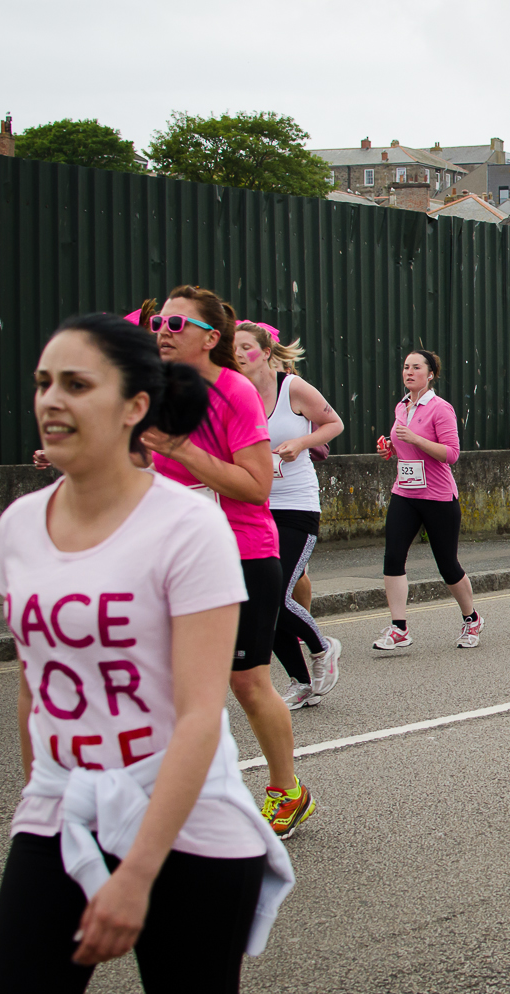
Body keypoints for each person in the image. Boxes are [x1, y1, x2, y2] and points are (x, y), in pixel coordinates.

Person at [0, 312, 294, 993]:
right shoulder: (16, 529)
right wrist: (40, 797)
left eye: (76, 383)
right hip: (63, 804)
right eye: (43, 383)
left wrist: (136, 873)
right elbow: (32, 688)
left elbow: (197, 716)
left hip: (184, 819)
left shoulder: (187, 528)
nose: (51, 401)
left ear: (136, 405)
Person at [141, 286, 314, 838]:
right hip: (174, 558)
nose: (161, 331)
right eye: (158, 323)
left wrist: (182, 451)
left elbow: (256, 484)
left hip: (241, 554)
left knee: (246, 682)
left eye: (174, 324)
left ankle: (287, 789)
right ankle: (179, 798)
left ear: (209, 337)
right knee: (164, 681)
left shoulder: (234, 392)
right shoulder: (159, 390)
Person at [234, 324, 344, 710]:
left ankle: (321, 647)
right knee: (263, 600)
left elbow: (334, 424)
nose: (238, 355)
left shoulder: (292, 388)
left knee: (277, 593)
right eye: (233, 349)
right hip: (254, 506)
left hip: (297, 505)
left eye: (246, 347)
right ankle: (299, 682)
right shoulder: (236, 395)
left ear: (265, 351)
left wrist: (301, 442)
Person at [372, 350, 484, 652]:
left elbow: (452, 454)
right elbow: (404, 445)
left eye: (416, 367)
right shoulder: (402, 406)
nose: (409, 372)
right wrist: (391, 449)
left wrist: (416, 440)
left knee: (447, 564)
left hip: (437, 496)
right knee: (393, 557)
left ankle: (471, 618)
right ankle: (399, 628)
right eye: (406, 367)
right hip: (405, 493)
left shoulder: (440, 408)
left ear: (431, 374)